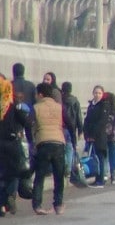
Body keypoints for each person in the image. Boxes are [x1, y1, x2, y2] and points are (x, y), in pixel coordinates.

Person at [30, 83, 67, 215]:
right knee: (59, 175)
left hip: (43, 143)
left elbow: (31, 126)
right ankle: (58, 204)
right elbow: (67, 122)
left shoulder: (36, 107)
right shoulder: (59, 107)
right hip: (59, 142)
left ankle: (37, 205)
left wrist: (33, 141)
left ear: (40, 94)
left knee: (40, 176)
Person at [0, 76, 32, 216]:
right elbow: (27, 123)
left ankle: (2, 205)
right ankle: (10, 195)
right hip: (12, 143)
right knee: (13, 174)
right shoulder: (14, 107)